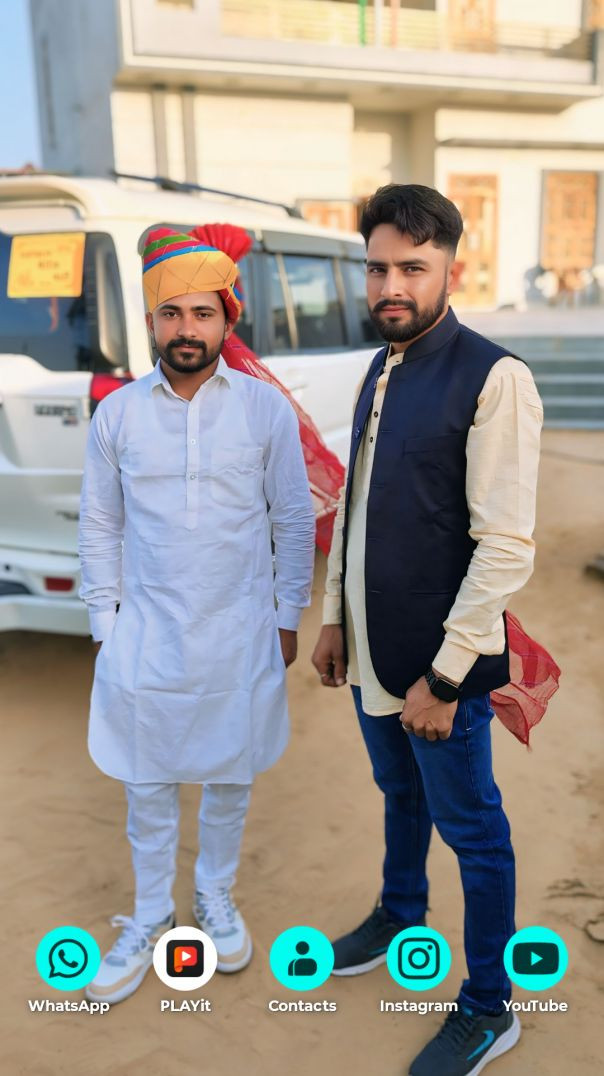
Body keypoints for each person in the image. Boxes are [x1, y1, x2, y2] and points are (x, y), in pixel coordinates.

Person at [311, 184, 543, 1076]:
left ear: (453, 268)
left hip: (440, 672)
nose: (391, 286)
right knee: (399, 794)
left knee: (473, 830)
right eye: (378, 269)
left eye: (413, 267)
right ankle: (400, 913)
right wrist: (335, 620)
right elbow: (358, 506)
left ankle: (489, 1007)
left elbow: (505, 547)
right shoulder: (381, 368)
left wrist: (443, 681)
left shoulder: (494, 378)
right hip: (372, 653)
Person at [79, 226, 315, 1005]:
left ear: (226, 319)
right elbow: (100, 526)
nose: (187, 329)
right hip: (146, 633)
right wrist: (105, 629)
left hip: (239, 632)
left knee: (228, 776)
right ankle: (151, 913)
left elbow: (291, 519)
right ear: (151, 321)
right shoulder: (117, 415)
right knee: (146, 783)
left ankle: (214, 893)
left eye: (202, 313)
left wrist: (286, 617)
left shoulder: (263, 410)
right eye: (171, 313)